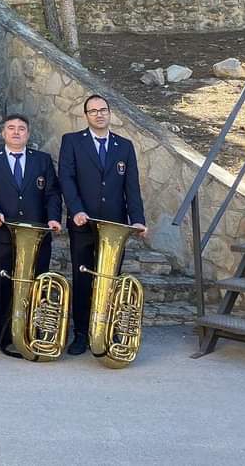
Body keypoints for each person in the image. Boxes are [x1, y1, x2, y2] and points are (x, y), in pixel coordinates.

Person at [58, 94, 147, 356]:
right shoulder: (72, 141)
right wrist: (76, 210)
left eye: (103, 110)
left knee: (111, 281)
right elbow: (67, 178)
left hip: (114, 226)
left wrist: (138, 220)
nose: (99, 114)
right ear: (85, 115)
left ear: (110, 113)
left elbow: (132, 186)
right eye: (93, 111)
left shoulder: (124, 146)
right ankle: (81, 334)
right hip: (83, 223)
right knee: (83, 278)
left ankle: (108, 330)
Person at [0, 114, 62, 352]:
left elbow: (53, 193)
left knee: (36, 285)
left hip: (37, 235)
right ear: (3, 133)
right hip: (3, 233)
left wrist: (54, 217)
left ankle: (31, 331)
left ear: (28, 134)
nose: (16, 132)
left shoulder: (42, 160)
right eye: (11, 128)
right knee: (4, 284)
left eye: (21, 129)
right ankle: (1, 334)